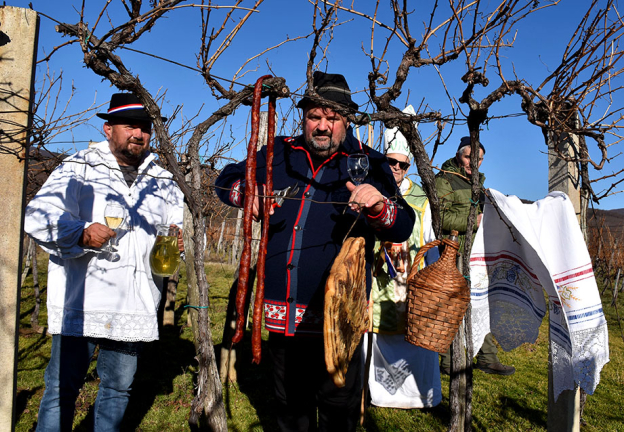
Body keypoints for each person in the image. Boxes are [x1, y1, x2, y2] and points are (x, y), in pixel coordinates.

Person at [215, 71, 415, 431]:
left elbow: (403, 223)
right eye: (314, 116)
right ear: (304, 117)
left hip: (339, 319)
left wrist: (378, 206)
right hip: (283, 318)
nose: (322, 126)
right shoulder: (279, 153)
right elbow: (225, 178)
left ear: (347, 119)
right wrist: (246, 193)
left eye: (332, 118)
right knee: (290, 410)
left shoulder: (369, 162)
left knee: (339, 412)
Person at [24, 93, 185, 431]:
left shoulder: (165, 181)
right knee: (61, 388)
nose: (138, 134)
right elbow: (38, 217)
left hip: (132, 302)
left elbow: (174, 229)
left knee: (117, 388)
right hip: (83, 300)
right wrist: (80, 233)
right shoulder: (78, 168)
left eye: (145, 128)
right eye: (130, 126)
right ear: (108, 128)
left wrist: (178, 243)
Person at [365, 107, 442, 408]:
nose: (396, 168)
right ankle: (378, 394)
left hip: (409, 283)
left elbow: (430, 243)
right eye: (391, 163)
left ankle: (416, 396)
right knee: (375, 335)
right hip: (376, 281)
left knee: (414, 339)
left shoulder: (422, 199)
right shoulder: (371, 191)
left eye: (402, 164)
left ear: (409, 166)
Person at [435, 136, 515, 376]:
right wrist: (475, 221)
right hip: (454, 252)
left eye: (479, 159)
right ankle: (450, 361)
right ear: (459, 155)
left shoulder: (479, 184)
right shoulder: (444, 180)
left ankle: (487, 357)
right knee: (454, 305)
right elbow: (439, 219)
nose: (474, 163)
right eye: (469, 157)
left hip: (477, 253)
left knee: (482, 302)